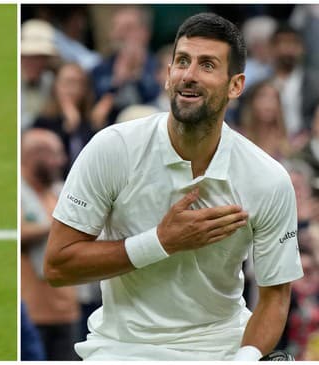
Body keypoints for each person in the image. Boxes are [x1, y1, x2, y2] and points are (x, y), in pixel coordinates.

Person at [44, 13, 303, 360]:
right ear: (168, 76)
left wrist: (244, 359)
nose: (189, 75)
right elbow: (57, 266)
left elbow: (275, 296)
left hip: (222, 348)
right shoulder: (112, 148)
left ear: (235, 85)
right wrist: (161, 242)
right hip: (122, 349)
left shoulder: (268, 178)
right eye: (182, 62)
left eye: (207, 65)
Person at [21, 128, 80, 360]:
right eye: (55, 155)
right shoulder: (20, 193)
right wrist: (59, 224)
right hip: (33, 313)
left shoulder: (60, 192)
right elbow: (21, 232)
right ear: (35, 156)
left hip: (66, 311)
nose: (61, 161)